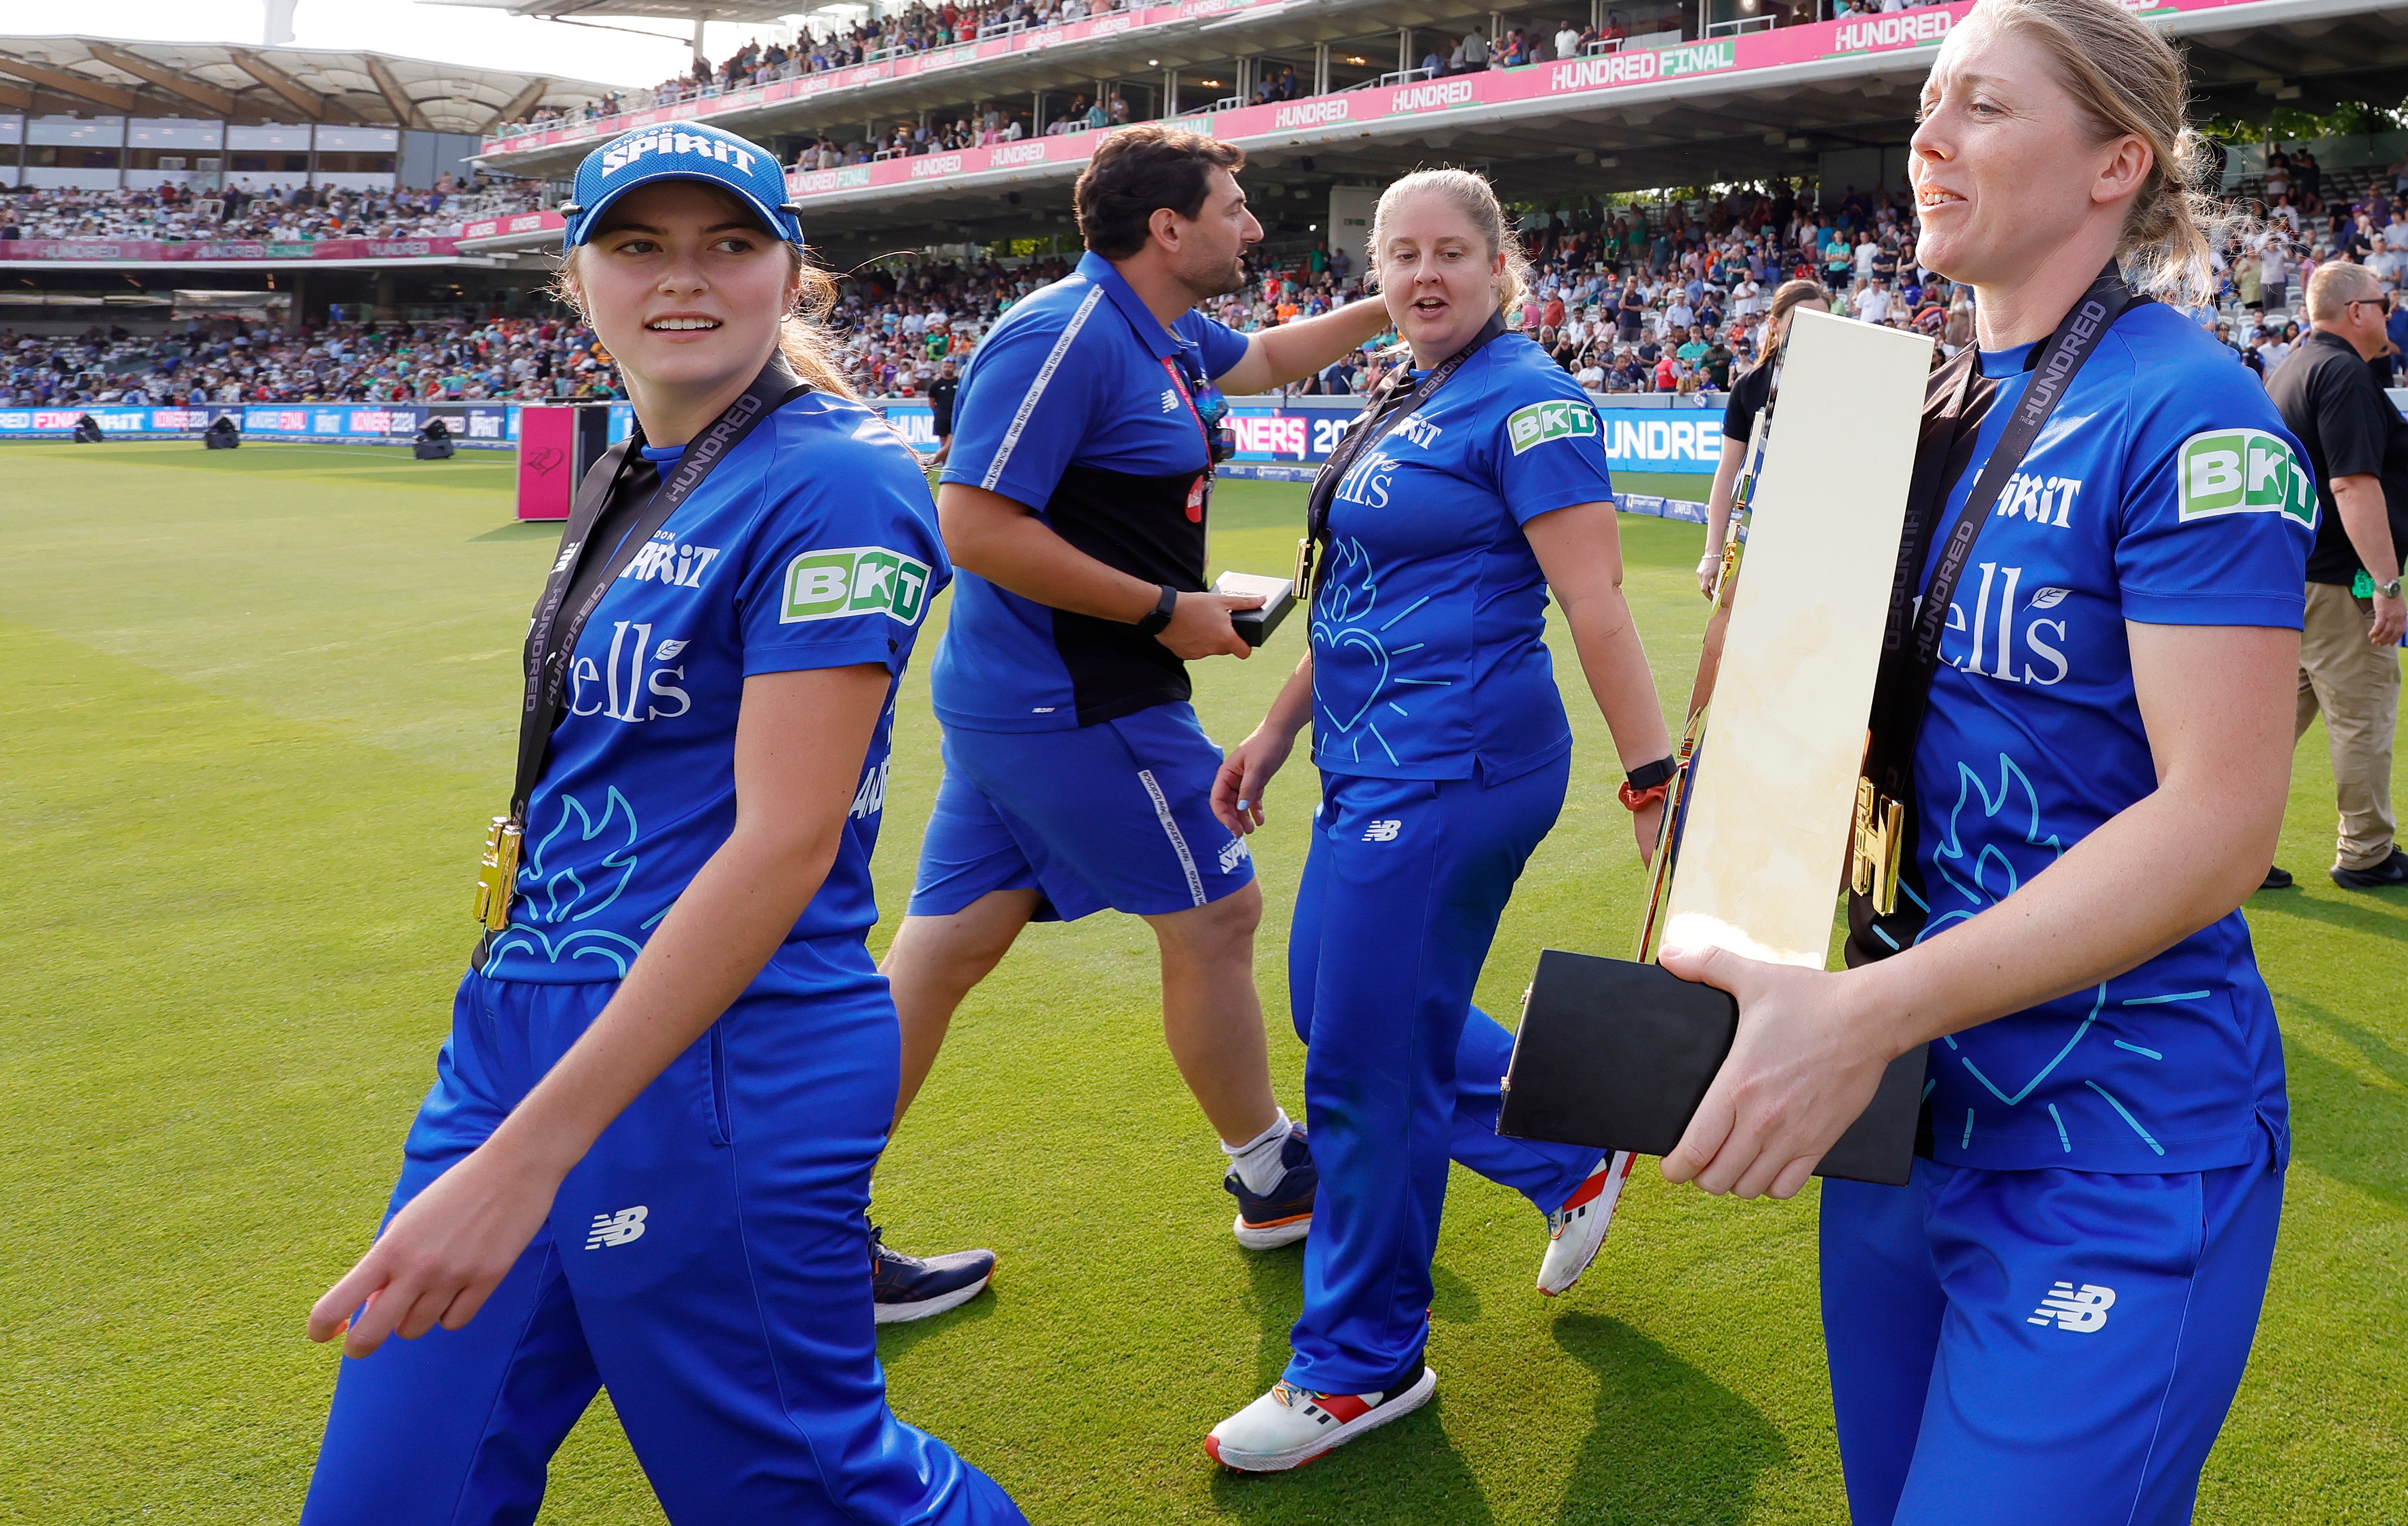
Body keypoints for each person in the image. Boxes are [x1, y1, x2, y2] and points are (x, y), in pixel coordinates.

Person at [1653, 0, 2312, 1526]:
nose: (1923, 138)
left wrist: (1855, 1013)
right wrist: (1712, 879)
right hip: (1893, 1122)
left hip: (2115, 1140)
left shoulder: (2186, 409)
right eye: (1923, 103)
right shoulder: (1868, 404)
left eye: (1980, 105)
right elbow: (1775, 771)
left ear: (2114, 165)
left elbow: (2219, 822)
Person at [301, 122, 1022, 1522]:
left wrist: (530, 1150)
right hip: (522, 1027)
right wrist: (510, 1099)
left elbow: (782, 842)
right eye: (638, 245)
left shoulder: (839, 480)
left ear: (789, 274)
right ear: (577, 279)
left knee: (800, 1496)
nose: (681, 279)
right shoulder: (636, 467)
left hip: (721, 1058)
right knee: (391, 1495)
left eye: (728, 245)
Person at [1202, 168, 1677, 1472]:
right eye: (1399, 253)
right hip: (1366, 763)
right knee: (1340, 1007)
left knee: (1358, 1062)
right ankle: (1570, 1150)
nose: (1422, 274)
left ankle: (1362, 1364)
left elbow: (1594, 603)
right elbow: (1349, 588)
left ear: (1497, 265)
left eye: (1450, 253)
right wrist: (1278, 725)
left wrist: (1651, 779)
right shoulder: (1409, 388)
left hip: (1456, 768)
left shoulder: (1529, 402)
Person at [876, 129, 1394, 1317]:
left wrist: (1394, 304)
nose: (1253, 227)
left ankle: (796, 1227)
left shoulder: (1153, 330)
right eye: (1234, 206)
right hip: (1077, 702)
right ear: (1167, 229)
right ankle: (1272, 1171)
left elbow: (1261, 359)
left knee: (940, 958)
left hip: (1031, 702)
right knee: (1217, 913)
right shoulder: (1062, 334)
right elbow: (972, 523)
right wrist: (1168, 611)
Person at [2267, 262, 2408, 892]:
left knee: (2268, 725)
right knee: (2363, 715)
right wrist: (2386, 586)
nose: (2388, 314)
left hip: (2291, 577)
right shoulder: (2341, 374)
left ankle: (2234, 850)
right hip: (2342, 582)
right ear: (2357, 311)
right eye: (2382, 302)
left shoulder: (2291, 368)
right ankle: (2365, 851)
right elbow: (2352, 484)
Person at [1698, 276, 1832, 597]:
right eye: (1802, 321)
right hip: (1770, 543)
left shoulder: (1850, 383)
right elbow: (1727, 473)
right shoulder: (1750, 387)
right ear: (1774, 324)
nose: (1815, 332)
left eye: (1824, 323)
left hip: (1834, 539)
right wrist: (1712, 553)